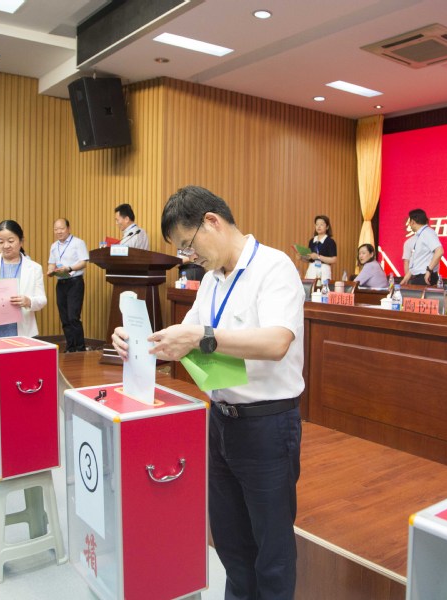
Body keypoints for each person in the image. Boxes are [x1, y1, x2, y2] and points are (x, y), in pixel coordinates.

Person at [112, 185, 303, 599]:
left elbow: (277, 342)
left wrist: (204, 337)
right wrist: (135, 342)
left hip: (267, 425)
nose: (188, 256)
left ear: (211, 222)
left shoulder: (274, 266)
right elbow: (180, 341)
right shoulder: (212, 281)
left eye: (188, 244)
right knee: (232, 545)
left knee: (272, 550)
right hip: (221, 422)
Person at [46, 218, 89, 352]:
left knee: (73, 317)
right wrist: (50, 270)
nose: (58, 232)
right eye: (56, 229)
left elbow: (83, 263)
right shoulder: (54, 246)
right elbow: (51, 263)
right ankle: (70, 347)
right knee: (64, 317)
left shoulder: (78, 243)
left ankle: (80, 348)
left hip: (75, 282)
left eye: (61, 228)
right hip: (61, 282)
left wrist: (69, 268)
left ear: (68, 228)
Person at [400, 208, 442, 286]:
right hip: (419, 276)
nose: (409, 224)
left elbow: (439, 251)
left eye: (409, 222)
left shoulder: (427, 232)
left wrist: (429, 270)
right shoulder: (421, 234)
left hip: (425, 276)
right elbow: (419, 261)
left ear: (412, 221)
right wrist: (407, 277)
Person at [301, 215, 337, 282]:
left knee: (321, 288)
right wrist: (301, 257)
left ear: (327, 227)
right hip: (311, 271)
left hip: (323, 271)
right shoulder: (312, 241)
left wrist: (318, 257)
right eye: (317, 224)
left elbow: (334, 260)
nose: (319, 226)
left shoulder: (330, 241)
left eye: (321, 224)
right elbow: (310, 259)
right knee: (309, 287)